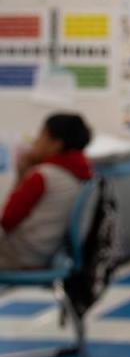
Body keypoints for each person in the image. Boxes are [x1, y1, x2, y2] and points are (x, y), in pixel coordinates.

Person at [0, 113, 93, 269]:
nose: (36, 141)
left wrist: (20, 178)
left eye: (41, 136)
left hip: (21, 254)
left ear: (56, 144)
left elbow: (6, 220)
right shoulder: (79, 172)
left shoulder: (43, 176)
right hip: (50, 252)